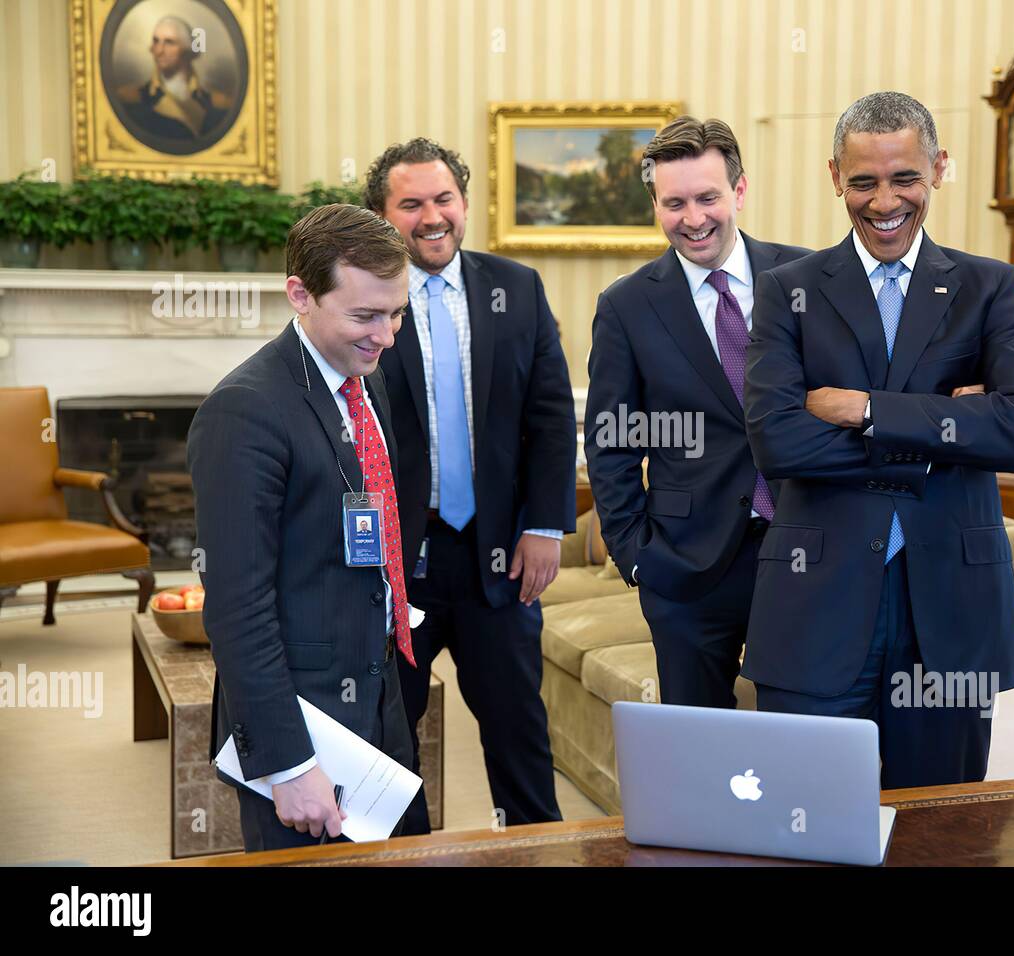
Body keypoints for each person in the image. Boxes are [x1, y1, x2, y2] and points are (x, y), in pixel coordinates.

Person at [742, 92, 1014, 789]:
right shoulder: (786, 291)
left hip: (952, 607)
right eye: (864, 181)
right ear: (834, 176)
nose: (885, 201)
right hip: (815, 603)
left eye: (904, 177)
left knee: (942, 832)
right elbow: (780, 443)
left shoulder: (988, 287)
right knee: (803, 820)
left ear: (938, 169)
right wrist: (944, 430)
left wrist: (865, 409)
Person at [187, 204, 416, 851]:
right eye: (366, 315)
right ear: (300, 294)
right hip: (304, 732)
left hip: (379, 698)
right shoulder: (244, 412)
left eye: (396, 312)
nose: (387, 335)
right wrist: (288, 764)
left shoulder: (367, 384)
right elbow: (236, 608)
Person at [367, 139, 576, 829]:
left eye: (443, 198)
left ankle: (535, 849)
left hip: (502, 559)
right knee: (389, 737)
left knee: (519, 731)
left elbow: (549, 416)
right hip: (400, 564)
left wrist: (545, 526)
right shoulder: (363, 296)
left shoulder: (515, 287)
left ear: (464, 202)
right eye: (411, 204)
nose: (432, 216)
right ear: (382, 214)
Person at [584, 117, 809, 708]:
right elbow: (610, 441)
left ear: (739, 190)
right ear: (655, 205)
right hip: (686, 566)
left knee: (803, 725)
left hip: (805, 547)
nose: (693, 218)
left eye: (707, 197)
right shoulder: (627, 306)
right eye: (674, 202)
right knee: (700, 746)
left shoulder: (807, 280)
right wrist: (635, 557)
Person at [116, 15, 230, 146]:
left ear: (187, 50)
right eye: (156, 41)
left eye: (169, 42)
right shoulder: (131, 99)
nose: (159, 51)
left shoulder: (218, 104)